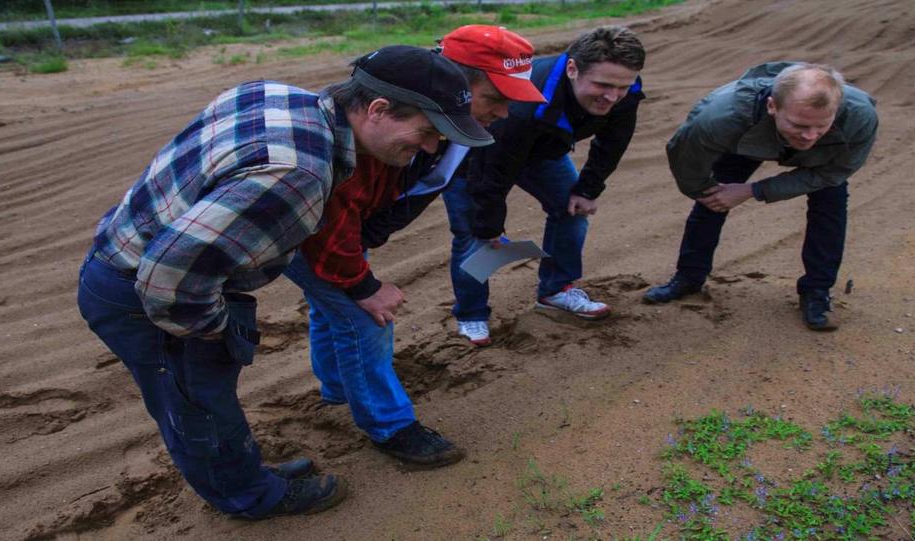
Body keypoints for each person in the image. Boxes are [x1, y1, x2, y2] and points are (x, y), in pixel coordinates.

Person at [76, 45, 490, 520]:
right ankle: (251, 497)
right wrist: (214, 329)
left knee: (207, 394)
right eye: (426, 131)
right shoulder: (298, 174)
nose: (432, 148)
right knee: (201, 402)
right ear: (377, 109)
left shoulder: (282, 97)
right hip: (144, 292)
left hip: (128, 248)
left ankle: (244, 474)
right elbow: (169, 278)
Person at [284, 25, 545, 468]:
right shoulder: (377, 133)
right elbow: (331, 222)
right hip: (298, 228)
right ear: (457, 84)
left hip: (340, 227)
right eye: (494, 97)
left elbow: (441, 184)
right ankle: (391, 426)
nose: (504, 112)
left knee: (332, 306)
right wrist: (362, 283)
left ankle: (339, 389)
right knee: (367, 319)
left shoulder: (444, 126)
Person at [444, 25, 646, 345]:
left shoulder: (625, 89)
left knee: (572, 210)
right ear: (572, 68)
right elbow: (491, 174)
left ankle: (555, 290)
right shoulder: (524, 105)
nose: (613, 96)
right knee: (475, 236)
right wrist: (490, 224)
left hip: (542, 151)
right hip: (478, 155)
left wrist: (588, 188)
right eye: (603, 85)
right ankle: (472, 314)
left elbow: (614, 139)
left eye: (622, 86)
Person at [643, 62, 878, 331]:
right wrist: (707, 193)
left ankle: (816, 291)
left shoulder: (859, 116)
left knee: (830, 205)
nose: (809, 136)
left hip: (824, 157)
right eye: (799, 125)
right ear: (772, 106)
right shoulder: (722, 115)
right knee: (712, 198)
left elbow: (831, 174)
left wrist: (752, 191)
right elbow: (686, 160)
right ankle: (688, 277)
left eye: (820, 125)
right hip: (750, 138)